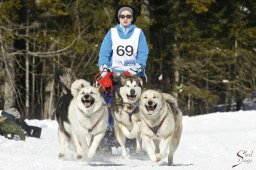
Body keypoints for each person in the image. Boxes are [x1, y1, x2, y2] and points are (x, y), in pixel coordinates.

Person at [98, 5, 149, 148]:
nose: (125, 19)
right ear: (118, 18)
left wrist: (137, 67)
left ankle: (133, 138)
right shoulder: (112, 32)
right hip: (114, 73)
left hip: (133, 74)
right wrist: (104, 68)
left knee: (133, 105)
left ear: (132, 18)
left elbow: (143, 53)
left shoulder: (138, 33)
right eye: (122, 16)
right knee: (107, 102)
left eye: (128, 16)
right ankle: (108, 133)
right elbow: (104, 53)